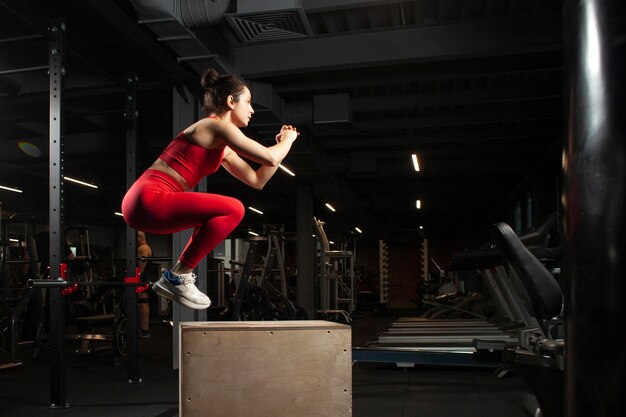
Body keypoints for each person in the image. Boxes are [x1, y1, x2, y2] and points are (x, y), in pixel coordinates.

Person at [121, 69, 299, 310]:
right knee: (233, 208)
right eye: (247, 102)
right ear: (230, 102)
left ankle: (177, 276)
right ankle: (178, 276)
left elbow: (258, 180)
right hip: (150, 197)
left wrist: (280, 148)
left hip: (144, 207)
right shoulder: (214, 126)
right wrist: (287, 140)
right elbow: (268, 157)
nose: (252, 110)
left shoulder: (221, 146)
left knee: (230, 211)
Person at [136, 231, 153, 338]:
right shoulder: (144, 247)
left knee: (143, 303)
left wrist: (135, 279)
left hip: (142, 279)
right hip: (142, 279)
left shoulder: (144, 248)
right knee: (142, 303)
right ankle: (143, 329)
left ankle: (144, 330)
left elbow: (141, 267)